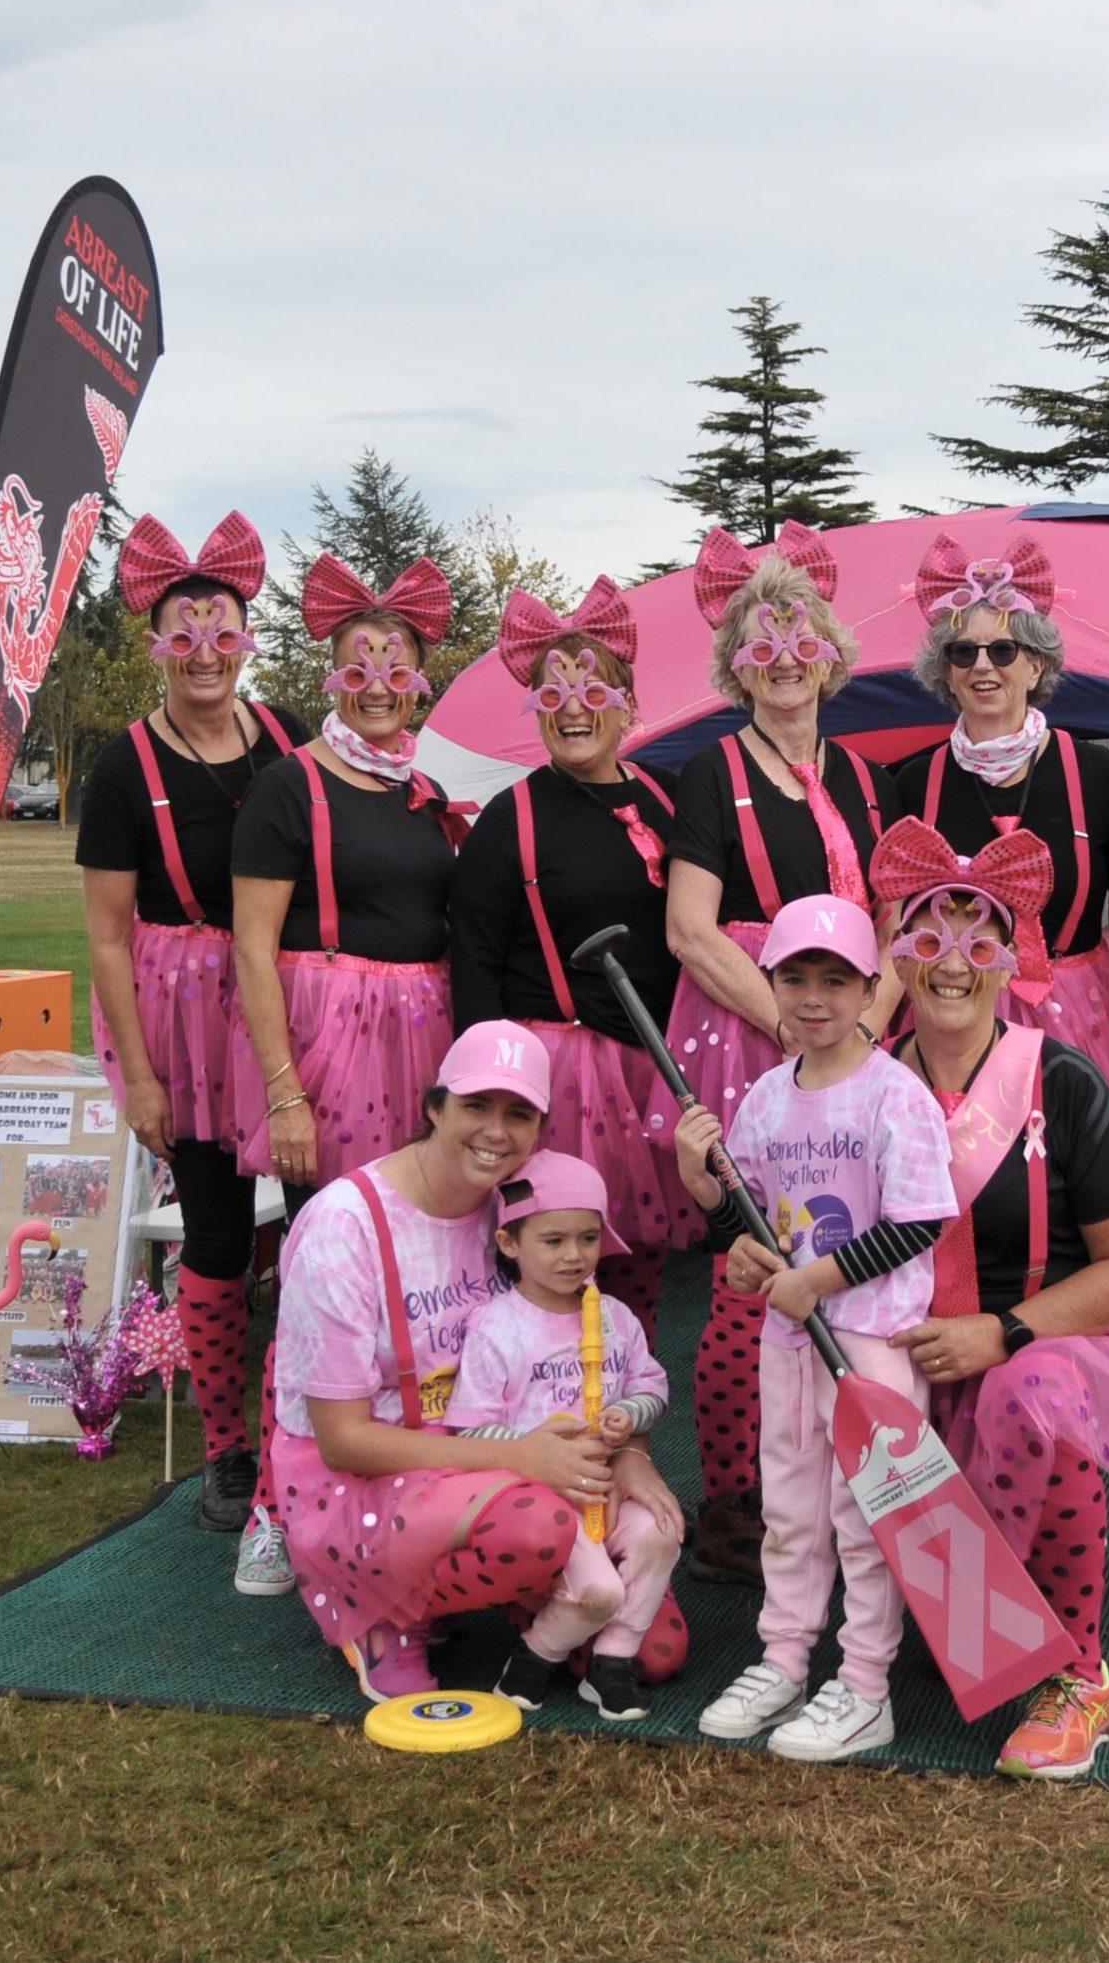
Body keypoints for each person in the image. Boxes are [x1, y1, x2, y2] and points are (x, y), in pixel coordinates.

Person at [868, 817, 1109, 1778]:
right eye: (929, 938)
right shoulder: (867, 1085)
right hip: (912, 1352)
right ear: (898, 952)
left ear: (1012, 959)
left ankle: (1077, 1673)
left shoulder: (1062, 1079)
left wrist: (1005, 1331)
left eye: (979, 942)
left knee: (1033, 1392)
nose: (951, 964)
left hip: (1054, 1341)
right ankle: (881, 1632)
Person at [269, 1024, 686, 1698]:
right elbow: (342, 1441)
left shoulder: (527, 1207)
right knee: (539, 1529)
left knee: (654, 1652)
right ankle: (387, 1613)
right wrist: (518, 1458)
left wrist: (630, 1453)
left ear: (540, 1128)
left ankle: (511, 1593)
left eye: (519, 1113)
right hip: (371, 1473)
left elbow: (598, 1356)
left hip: (512, 1458)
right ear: (434, 1107)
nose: (496, 1130)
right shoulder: (344, 1227)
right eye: (476, 1105)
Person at [658, 522, 901, 1584]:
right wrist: (793, 1021)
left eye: (804, 641)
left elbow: (893, 917)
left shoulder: (865, 777)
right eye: (765, 644)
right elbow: (690, 927)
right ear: (737, 664)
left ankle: (844, 1484)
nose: (788, 660)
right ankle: (733, 1502)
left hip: (853, 1034)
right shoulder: (710, 774)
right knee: (747, 1267)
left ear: (832, 655)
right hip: (753, 1035)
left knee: (850, 1257)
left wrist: (868, 1023)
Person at [77, 510, 310, 1591]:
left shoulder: (287, 735)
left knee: (316, 1223)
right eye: (186, 635)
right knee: (216, 1232)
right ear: (156, 644)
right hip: (183, 1023)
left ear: (246, 641)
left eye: (223, 634)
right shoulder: (122, 767)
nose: (206, 654)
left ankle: (312, 1420)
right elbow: (106, 936)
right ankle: (228, 1448)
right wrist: (140, 1077)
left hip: (287, 1006)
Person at [673, 895, 956, 1765]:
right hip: (791, 1340)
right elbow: (750, 1229)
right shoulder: (764, 1098)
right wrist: (710, 1196)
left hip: (871, 1342)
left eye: (836, 980)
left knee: (866, 1515)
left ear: (872, 988)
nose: (814, 997)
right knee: (789, 1508)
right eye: (795, 978)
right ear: (772, 985)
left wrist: (815, 1279)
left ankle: (865, 1685)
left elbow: (920, 1220)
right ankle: (785, 1659)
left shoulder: (895, 1094)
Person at [448, 580, 688, 1341]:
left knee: (639, 1257)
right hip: (560, 1080)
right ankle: (546, 1397)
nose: (574, 708)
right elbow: (474, 966)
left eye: (593, 691)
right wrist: (489, 1099)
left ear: (627, 704)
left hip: (653, 1066)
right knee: (557, 1260)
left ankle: (628, 1387)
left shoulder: (667, 798)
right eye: (554, 694)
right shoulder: (508, 820)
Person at [231, 553, 465, 1221]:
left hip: (421, 1039)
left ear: (418, 683)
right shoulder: (287, 787)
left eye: (397, 673)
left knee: (421, 1226)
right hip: (332, 1050)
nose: (378, 690)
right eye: (358, 673)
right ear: (334, 678)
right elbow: (252, 950)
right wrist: (285, 1096)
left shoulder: (425, 790)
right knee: (341, 1228)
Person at [896, 532, 1109, 1119]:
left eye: (1003, 650)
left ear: (1035, 666)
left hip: (1082, 1021)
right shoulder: (912, 785)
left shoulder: (1096, 775)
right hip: (953, 1019)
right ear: (947, 673)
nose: (983, 665)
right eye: (964, 653)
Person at [447, 1151, 682, 1724]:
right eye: (553, 1241)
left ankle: (613, 1660)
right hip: (540, 1499)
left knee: (663, 1531)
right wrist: (532, 1445)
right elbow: (469, 1426)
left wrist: (629, 1413)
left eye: (587, 1238)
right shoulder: (496, 1326)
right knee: (600, 1591)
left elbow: (652, 1385)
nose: (574, 1255)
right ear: (510, 1244)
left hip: (607, 1488)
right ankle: (537, 1652)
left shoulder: (616, 1317)